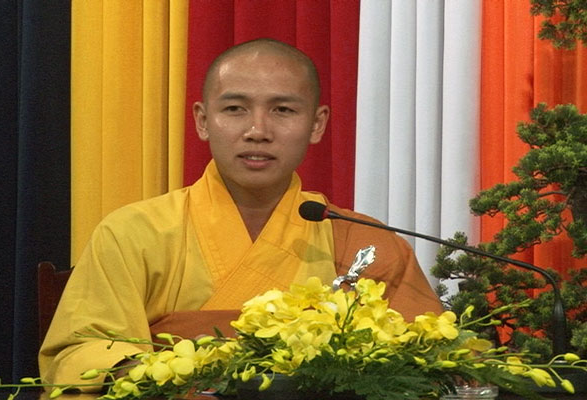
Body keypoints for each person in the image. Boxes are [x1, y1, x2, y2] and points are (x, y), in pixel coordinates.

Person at [39, 38, 442, 388]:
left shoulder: (365, 242)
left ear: (317, 124)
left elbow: (429, 359)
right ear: (202, 121)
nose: (258, 131)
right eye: (235, 109)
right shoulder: (133, 233)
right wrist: (170, 375)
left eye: (283, 110)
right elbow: (78, 353)